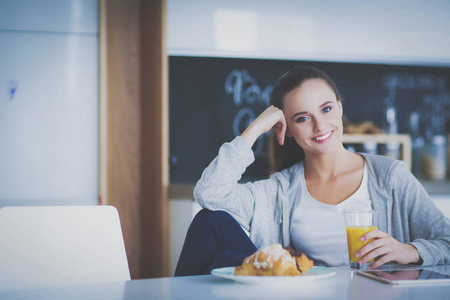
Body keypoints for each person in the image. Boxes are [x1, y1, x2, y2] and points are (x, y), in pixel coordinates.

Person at [174, 65, 450, 276]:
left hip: (374, 294)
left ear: (340, 108)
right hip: (303, 294)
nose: (319, 126)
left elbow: (447, 242)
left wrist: (410, 250)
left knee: (223, 263)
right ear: (288, 129)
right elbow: (209, 194)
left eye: (327, 109)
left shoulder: (389, 177)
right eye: (302, 118)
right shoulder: (280, 190)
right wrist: (256, 128)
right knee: (210, 223)